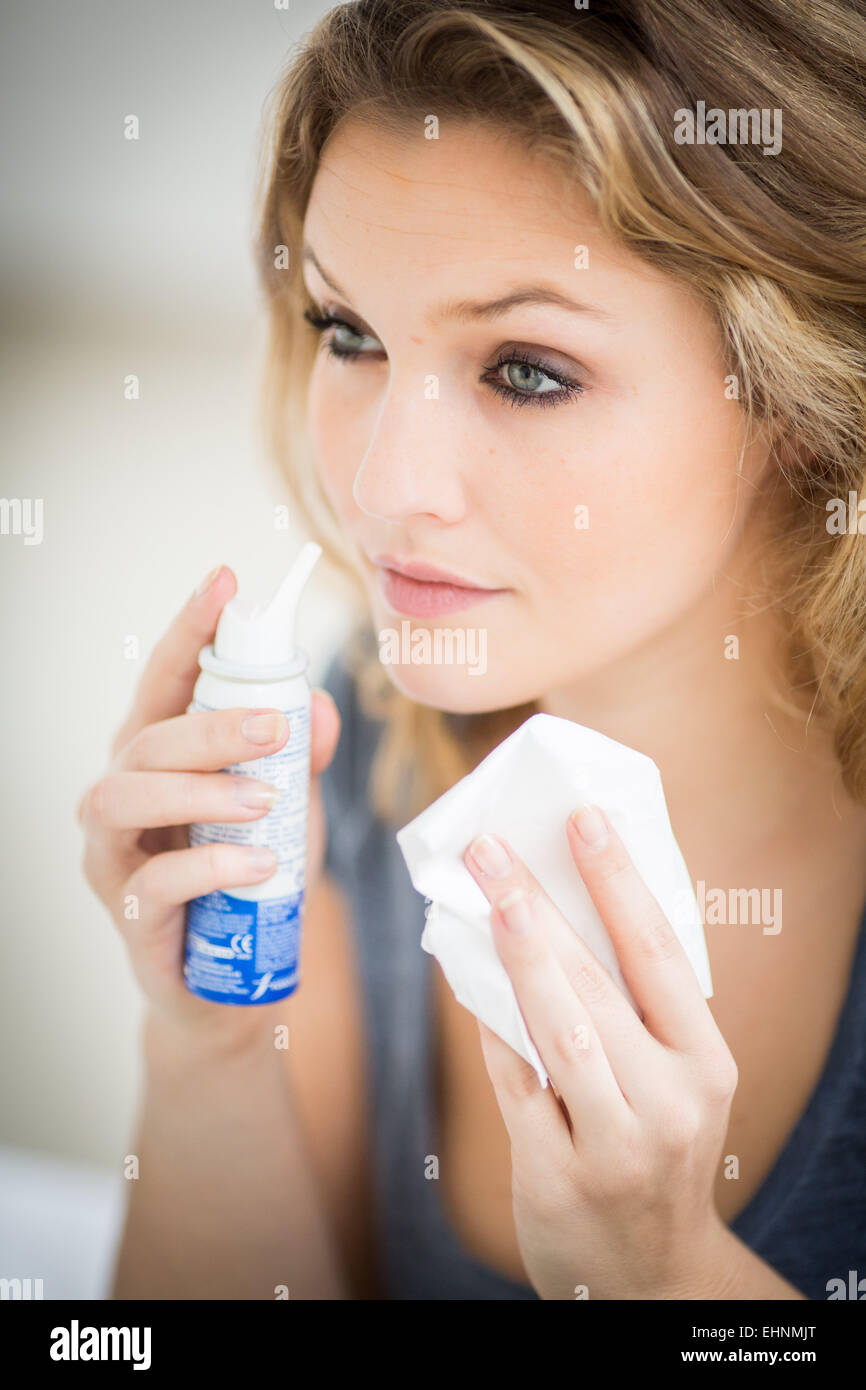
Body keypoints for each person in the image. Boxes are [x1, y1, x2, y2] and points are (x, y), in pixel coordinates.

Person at [78, 0, 866, 1299]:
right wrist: (206, 1052)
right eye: (350, 332)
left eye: (526, 369)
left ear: (796, 393)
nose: (384, 487)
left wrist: (662, 1277)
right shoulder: (356, 735)